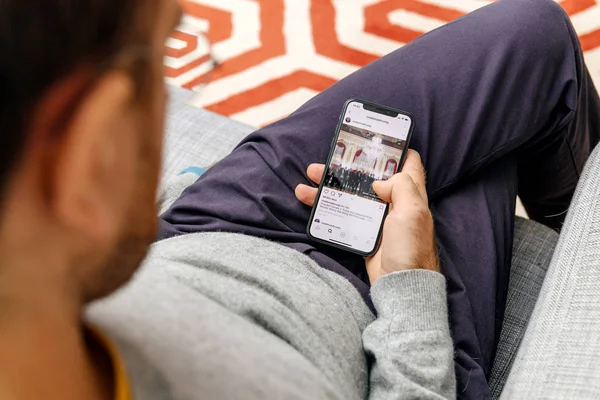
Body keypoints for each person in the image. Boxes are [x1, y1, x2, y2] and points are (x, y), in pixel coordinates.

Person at [0, 2, 598, 400]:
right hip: (380, 316)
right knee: (509, 119)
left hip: (205, 232)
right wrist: (411, 284)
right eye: (164, 58)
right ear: (93, 155)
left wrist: (154, 222)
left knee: (527, 34)